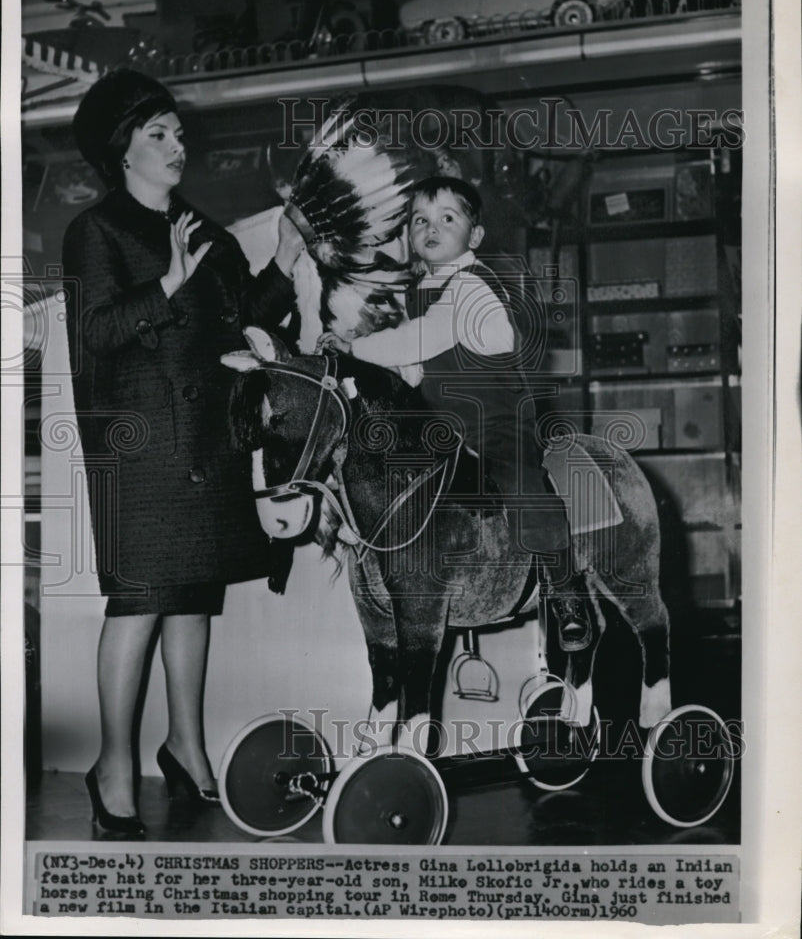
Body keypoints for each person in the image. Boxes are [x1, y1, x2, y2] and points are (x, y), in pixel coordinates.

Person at [63, 68, 304, 835]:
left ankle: (187, 748)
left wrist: (288, 263)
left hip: (208, 440)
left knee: (195, 596)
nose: (178, 143)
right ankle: (111, 767)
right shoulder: (95, 231)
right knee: (138, 603)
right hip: (137, 446)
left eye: (177, 131)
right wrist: (167, 282)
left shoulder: (203, 228)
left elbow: (242, 324)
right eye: (158, 133)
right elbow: (96, 333)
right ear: (122, 150)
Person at [319, 175, 590, 650]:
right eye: (420, 220)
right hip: (444, 423)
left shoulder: (469, 288)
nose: (431, 228)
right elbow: (414, 366)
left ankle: (565, 588)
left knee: (520, 480)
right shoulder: (425, 289)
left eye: (448, 218)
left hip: (496, 421)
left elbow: (419, 338)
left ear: (475, 236)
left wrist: (354, 346)